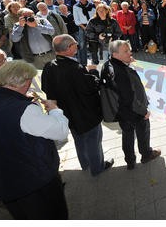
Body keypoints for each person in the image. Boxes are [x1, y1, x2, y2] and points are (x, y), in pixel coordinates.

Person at [0, 60, 69, 219]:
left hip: (1, 182)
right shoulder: (24, 110)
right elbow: (61, 131)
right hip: (34, 184)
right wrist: (55, 111)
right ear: (26, 82)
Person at [41, 34, 114, 176]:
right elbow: (93, 86)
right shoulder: (75, 68)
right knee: (93, 141)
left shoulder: (49, 66)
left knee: (79, 140)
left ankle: (85, 163)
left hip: (67, 113)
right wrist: (92, 71)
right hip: (86, 113)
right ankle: (97, 167)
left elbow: (46, 88)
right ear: (69, 48)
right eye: (74, 43)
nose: (77, 44)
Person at [106, 40, 161, 170]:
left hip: (121, 111)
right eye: (125, 51)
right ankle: (146, 154)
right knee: (143, 132)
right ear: (115, 54)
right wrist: (144, 112)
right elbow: (130, 98)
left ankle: (130, 161)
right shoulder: (122, 73)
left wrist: (127, 63)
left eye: (129, 49)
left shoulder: (109, 65)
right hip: (134, 112)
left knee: (127, 134)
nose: (130, 53)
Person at [73, 0, 96, 66]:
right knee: (82, 45)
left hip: (92, 27)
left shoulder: (92, 5)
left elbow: (95, 16)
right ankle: (83, 63)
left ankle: (95, 61)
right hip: (82, 27)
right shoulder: (76, 6)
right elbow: (77, 20)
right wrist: (85, 28)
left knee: (93, 44)